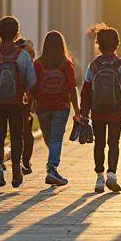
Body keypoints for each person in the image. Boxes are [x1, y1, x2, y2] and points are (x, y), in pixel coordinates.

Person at [0, 16, 37, 188]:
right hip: (17, 103)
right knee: (17, 136)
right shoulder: (23, 55)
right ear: (17, 34)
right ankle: (16, 168)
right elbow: (31, 81)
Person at [80, 25, 121, 193]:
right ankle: (111, 174)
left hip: (97, 112)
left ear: (99, 44)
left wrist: (84, 112)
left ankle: (99, 178)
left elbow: (85, 90)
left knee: (99, 144)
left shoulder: (94, 65)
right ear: (117, 44)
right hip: (116, 112)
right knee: (113, 144)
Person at [32, 30, 82, 187]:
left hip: (42, 107)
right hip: (61, 106)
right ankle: (52, 168)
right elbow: (72, 88)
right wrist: (77, 110)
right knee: (55, 138)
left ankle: (52, 165)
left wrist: (30, 107)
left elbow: (33, 87)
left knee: (49, 138)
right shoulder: (66, 64)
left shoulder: (38, 64)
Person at [16, 37, 37, 176]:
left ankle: (20, 163)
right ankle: (24, 163)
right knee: (26, 135)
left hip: (10, 101)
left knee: (19, 134)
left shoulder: (10, 58)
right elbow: (32, 84)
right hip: (23, 103)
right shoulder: (28, 63)